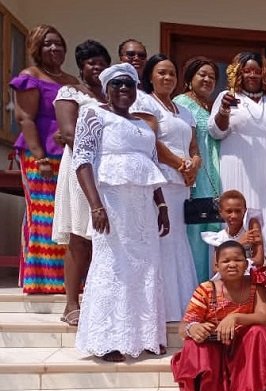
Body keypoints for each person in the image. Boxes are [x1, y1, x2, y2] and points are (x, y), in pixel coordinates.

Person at [73, 63, 170, 362]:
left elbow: (150, 169)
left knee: (145, 268)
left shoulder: (144, 126)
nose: (124, 89)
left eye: (129, 84)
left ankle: (145, 336)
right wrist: (95, 205)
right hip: (111, 205)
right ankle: (107, 341)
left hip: (142, 208)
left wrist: (162, 206)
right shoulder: (93, 115)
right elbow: (82, 162)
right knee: (113, 267)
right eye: (117, 84)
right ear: (107, 89)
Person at [171, 240, 266, 391]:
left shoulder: (255, 286)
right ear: (216, 266)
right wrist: (193, 328)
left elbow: (265, 318)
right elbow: (183, 326)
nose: (232, 264)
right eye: (225, 261)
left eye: (237, 260)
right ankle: (207, 386)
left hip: (242, 351)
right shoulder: (206, 290)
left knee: (258, 332)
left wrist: (235, 317)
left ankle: (249, 389)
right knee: (193, 343)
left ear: (246, 264)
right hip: (215, 350)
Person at [10, 24, 78, 294]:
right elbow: (24, 118)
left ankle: (66, 277)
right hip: (40, 156)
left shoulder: (69, 80)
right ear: (37, 48)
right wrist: (40, 158)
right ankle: (41, 280)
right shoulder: (30, 76)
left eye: (59, 43)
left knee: (66, 216)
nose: (54, 48)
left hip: (66, 156)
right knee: (43, 215)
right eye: (48, 44)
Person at [52, 40, 110, 325]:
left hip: (108, 172)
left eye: (101, 62)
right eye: (91, 63)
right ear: (81, 67)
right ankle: (71, 304)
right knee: (80, 236)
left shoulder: (113, 96)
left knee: (104, 237)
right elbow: (69, 133)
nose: (96, 67)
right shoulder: (70, 92)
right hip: (81, 169)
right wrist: (96, 160)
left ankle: (97, 300)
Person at [138, 54, 199, 322]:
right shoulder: (144, 102)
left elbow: (194, 147)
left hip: (182, 184)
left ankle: (181, 304)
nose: (167, 78)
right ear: (150, 75)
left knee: (178, 241)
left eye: (172, 74)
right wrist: (179, 164)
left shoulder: (183, 110)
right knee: (162, 238)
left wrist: (193, 165)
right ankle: (158, 309)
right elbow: (149, 140)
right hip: (160, 182)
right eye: (161, 73)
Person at [208, 52, 266, 255]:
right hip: (236, 167)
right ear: (239, 73)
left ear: (264, 74)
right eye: (247, 71)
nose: (252, 75)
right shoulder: (228, 97)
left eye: (257, 71)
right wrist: (224, 110)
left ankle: (265, 271)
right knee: (235, 216)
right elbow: (216, 131)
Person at [173, 57, 222, 282]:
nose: (207, 80)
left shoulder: (208, 107)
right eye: (202, 75)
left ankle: (207, 289)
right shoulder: (181, 104)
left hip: (212, 179)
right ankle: (192, 292)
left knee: (210, 236)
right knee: (194, 234)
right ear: (190, 78)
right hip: (194, 179)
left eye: (212, 77)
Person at [201, 190, 264, 278]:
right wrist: (238, 244)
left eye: (238, 211)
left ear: (245, 211)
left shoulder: (251, 226)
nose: (234, 215)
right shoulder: (219, 237)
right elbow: (215, 268)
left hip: (249, 278)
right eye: (229, 211)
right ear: (221, 213)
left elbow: (259, 260)